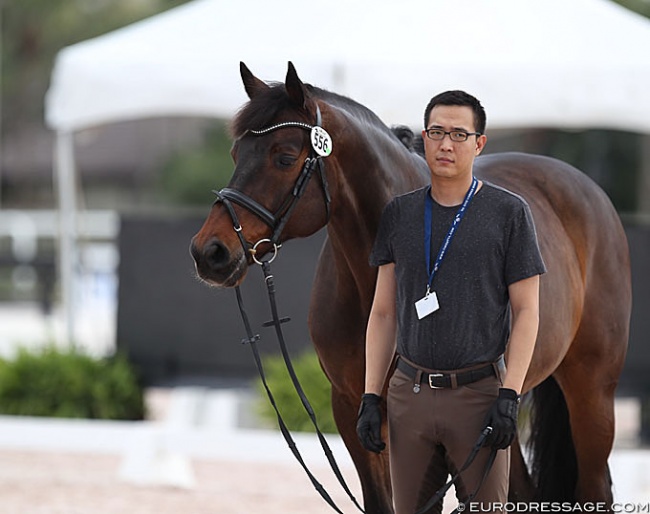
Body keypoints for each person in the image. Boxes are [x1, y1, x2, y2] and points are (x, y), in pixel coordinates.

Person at [356, 90, 546, 514]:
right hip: (409, 393)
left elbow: (528, 311)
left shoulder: (508, 213)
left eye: (459, 134)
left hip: (478, 395)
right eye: (437, 132)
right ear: (424, 137)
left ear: (479, 143)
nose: (446, 144)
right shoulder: (399, 215)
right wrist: (371, 396)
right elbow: (384, 312)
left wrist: (510, 395)